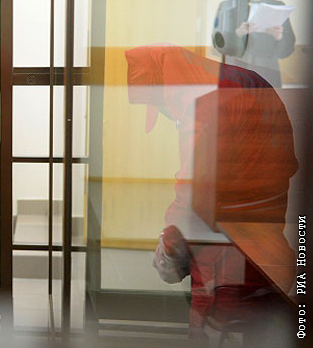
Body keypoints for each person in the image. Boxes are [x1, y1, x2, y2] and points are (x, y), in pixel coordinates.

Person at [125, 45, 298, 346]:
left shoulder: (204, 103)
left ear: (166, 88)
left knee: (214, 330)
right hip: (264, 246)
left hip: (226, 258)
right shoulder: (240, 79)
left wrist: (169, 245)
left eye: (160, 104)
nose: (165, 113)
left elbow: (195, 190)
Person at [212, 0, 295, 88]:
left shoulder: (278, 7)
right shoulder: (228, 7)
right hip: (237, 72)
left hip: (267, 73)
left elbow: (287, 50)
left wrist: (279, 38)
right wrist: (238, 33)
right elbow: (217, 45)